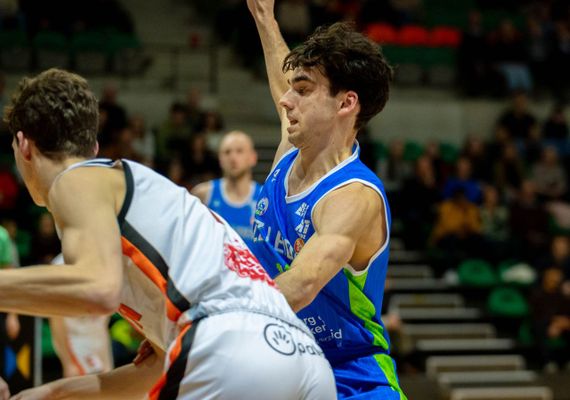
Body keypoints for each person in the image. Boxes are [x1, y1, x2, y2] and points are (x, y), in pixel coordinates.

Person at [3, 68, 335, 399]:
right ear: (94, 147)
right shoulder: (152, 201)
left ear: (23, 144)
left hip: (227, 345)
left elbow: (96, 289)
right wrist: (50, 393)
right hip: (304, 358)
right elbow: (156, 368)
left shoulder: (76, 180)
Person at [247, 0, 406, 398]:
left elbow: (301, 285)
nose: (286, 100)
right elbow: (281, 78)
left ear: (346, 103)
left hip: (351, 377)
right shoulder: (288, 155)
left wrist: (208, 317)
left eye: (303, 90)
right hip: (284, 363)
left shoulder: (353, 196)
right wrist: (264, 17)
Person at [192, 131, 261, 249]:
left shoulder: (264, 198)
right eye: (227, 152)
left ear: (253, 158)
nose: (233, 157)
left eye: (239, 151)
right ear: (220, 159)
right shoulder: (203, 194)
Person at [49, 254, 113, 378]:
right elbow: (56, 319)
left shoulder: (104, 257)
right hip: (76, 342)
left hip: (99, 339)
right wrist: (68, 363)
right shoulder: (60, 266)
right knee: (85, 387)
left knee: (109, 386)